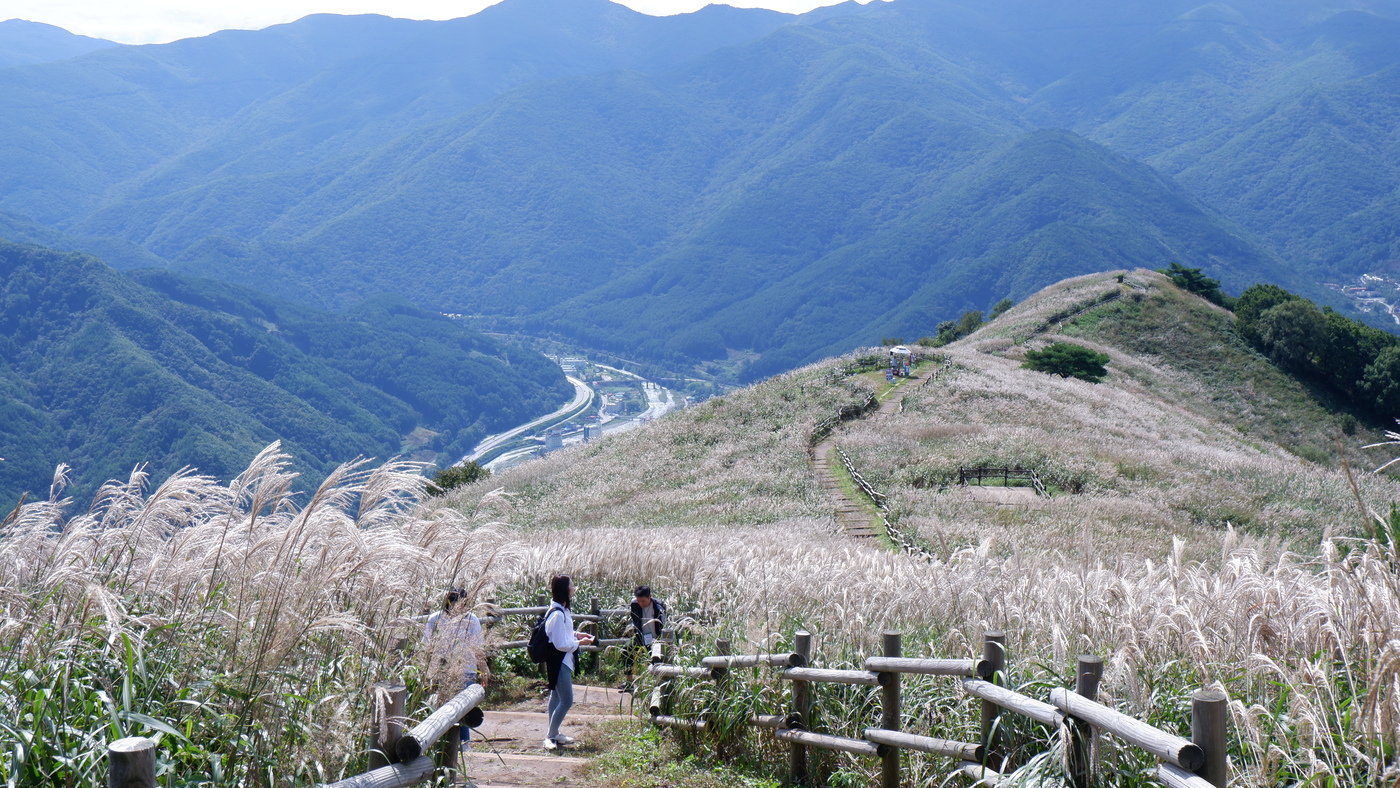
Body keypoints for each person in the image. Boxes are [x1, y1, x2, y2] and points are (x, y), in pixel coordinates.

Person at [423, 587, 483, 748]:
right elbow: (427, 647)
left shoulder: (472, 619)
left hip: (466, 670)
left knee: (462, 708)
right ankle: (450, 744)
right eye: (459, 603)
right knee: (446, 709)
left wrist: (483, 670)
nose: (462, 607)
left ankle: (463, 743)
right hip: (442, 671)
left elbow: (478, 647)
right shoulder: (434, 619)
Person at [543, 574, 593, 750]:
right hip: (559, 661)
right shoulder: (557, 614)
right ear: (565, 590)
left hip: (563, 660)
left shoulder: (562, 610)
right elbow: (560, 644)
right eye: (571, 586)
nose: (574, 588)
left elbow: (563, 636)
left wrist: (577, 635)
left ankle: (554, 733)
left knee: (556, 697)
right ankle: (550, 736)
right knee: (566, 700)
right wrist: (580, 643)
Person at [620, 585, 668, 691]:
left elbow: (664, 624)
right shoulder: (634, 604)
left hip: (656, 639)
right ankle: (629, 682)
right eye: (639, 601)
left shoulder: (659, 606)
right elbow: (635, 619)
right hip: (641, 635)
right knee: (626, 650)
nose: (641, 604)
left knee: (654, 659)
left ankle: (654, 686)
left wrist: (658, 639)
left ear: (649, 597)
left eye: (643, 601)